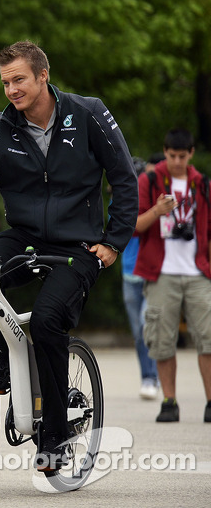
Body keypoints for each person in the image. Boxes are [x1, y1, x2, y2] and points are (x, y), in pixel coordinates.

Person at [0, 41, 138, 471]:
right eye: (5, 83)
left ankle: (54, 438)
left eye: (19, 79)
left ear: (42, 76)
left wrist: (113, 242)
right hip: (25, 237)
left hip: (78, 245)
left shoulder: (88, 112)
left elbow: (125, 178)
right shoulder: (0, 126)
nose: (11, 90)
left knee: (49, 321)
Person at [133, 128, 211, 423]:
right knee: (162, 340)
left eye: (182, 156)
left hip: (197, 272)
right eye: (171, 155)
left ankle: (210, 402)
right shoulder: (149, 180)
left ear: (191, 154)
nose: (177, 161)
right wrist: (157, 210)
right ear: (164, 152)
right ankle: (169, 401)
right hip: (161, 272)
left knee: (208, 338)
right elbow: (133, 225)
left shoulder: (202, 184)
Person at [122, 154, 162, 400]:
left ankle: (153, 377)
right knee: (138, 331)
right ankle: (147, 376)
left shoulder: (158, 202)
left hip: (153, 272)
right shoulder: (124, 201)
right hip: (130, 273)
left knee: (148, 325)